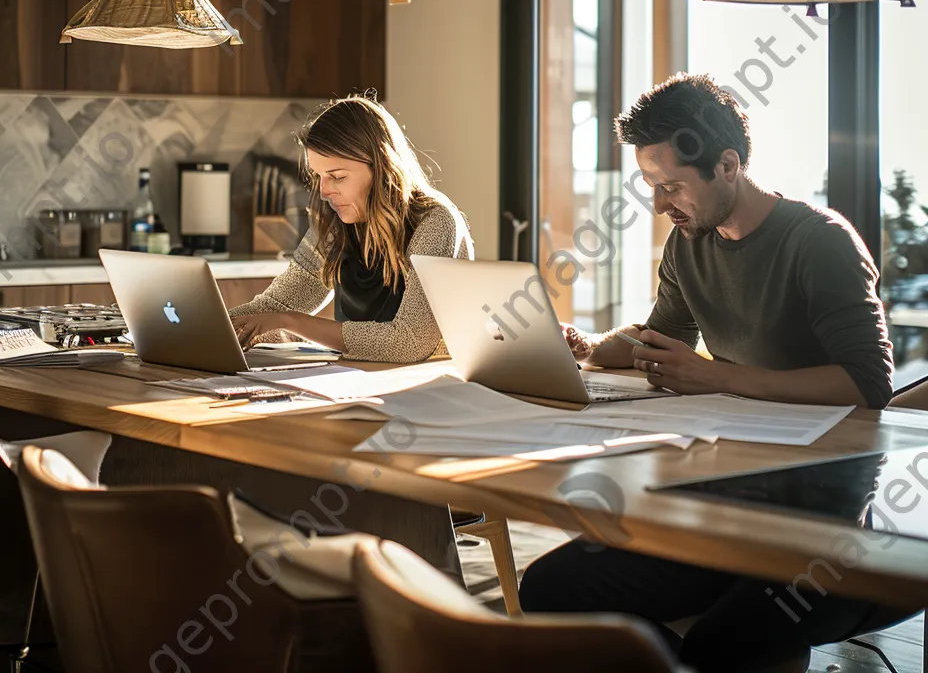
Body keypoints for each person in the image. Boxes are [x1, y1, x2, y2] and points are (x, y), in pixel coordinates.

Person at [519, 72, 895, 672]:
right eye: (650, 186)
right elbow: (661, 341)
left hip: (826, 519)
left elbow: (868, 387)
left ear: (727, 165)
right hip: (727, 504)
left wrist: (719, 377)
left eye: (671, 186)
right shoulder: (689, 242)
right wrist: (583, 346)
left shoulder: (820, 242)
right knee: (548, 588)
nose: (661, 204)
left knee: (725, 644)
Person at [230, 95, 473, 364]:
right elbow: (273, 308)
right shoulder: (335, 225)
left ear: (383, 167)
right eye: (318, 176)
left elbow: (408, 342)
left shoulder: (435, 223)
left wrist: (290, 322)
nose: (324, 191)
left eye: (338, 176)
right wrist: (199, 328)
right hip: (358, 379)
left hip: (425, 389)